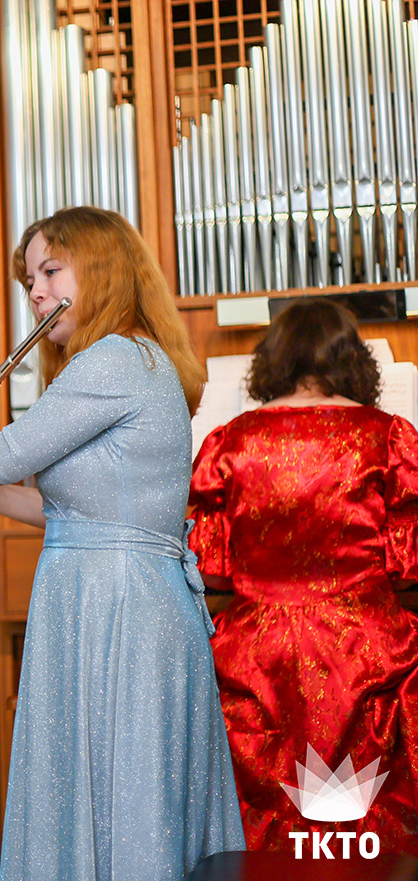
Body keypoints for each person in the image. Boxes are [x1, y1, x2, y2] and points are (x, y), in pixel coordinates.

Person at [0, 206, 245, 880]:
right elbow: (74, 515)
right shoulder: (136, 359)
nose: (36, 292)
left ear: (100, 271)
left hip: (117, 608)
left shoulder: (114, 358)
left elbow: (4, 454)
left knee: (123, 788)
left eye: (50, 271)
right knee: (117, 787)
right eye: (29, 280)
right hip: (112, 595)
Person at [189, 299, 418, 854]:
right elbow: (408, 563)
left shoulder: (231, 441)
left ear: (274, 359)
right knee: (366, 815)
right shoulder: (387, 436)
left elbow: (211, 568)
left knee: (265, 824)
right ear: (351, 360)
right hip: (363, 646)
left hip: (258, 654)